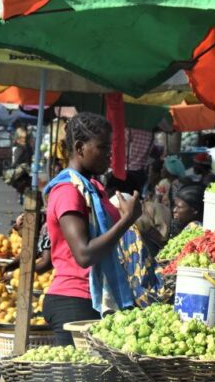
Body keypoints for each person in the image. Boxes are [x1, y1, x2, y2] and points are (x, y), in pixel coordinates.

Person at [42, 112, 142, 345]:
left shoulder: (92, 187)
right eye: (103, 147)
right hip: (75, 301)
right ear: (79, 148)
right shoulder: (69, 191)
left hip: (92, 298)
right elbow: (84, 254)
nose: (109, 154)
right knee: (79, 381)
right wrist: (126, 220)